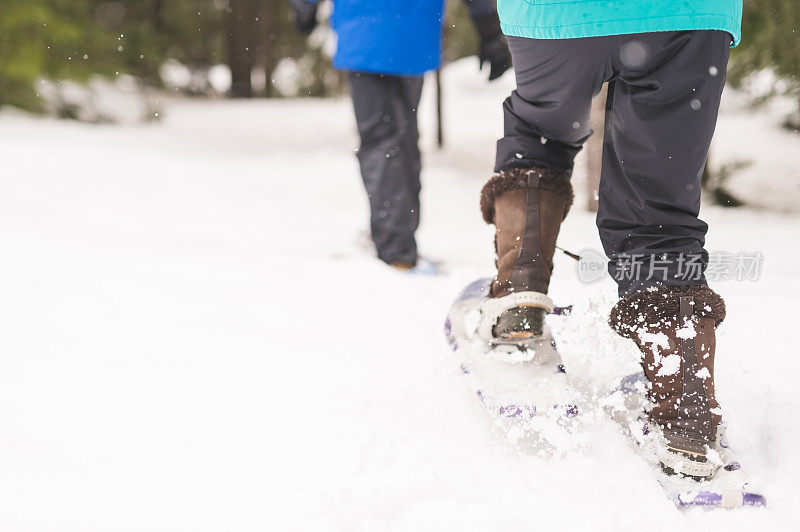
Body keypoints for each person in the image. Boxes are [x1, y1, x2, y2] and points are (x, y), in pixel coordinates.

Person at [477, 1, 742, 478]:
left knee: (538, 133)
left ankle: (520, 293)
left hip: (556, 13)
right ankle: (684, 415)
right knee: (659, 208)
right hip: (686, 16)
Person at [290, 0, 511, 271]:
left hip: (363, 32)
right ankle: (396, 236)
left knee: (381, 139)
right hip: (413, 35)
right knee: (403, 136)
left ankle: (396, 247)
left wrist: (304, 8)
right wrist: (488, 29)